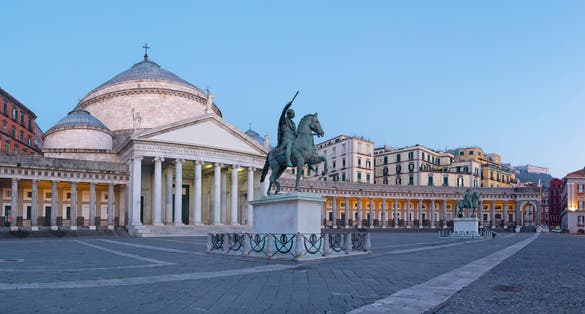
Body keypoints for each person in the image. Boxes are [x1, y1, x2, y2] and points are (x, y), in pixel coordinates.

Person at [276, 101, 296, 167]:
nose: (294, 114)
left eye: (294, 113)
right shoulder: (284, 120)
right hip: (286, 138)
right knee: (289, 143)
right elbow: (283, 113)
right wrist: (287, 106)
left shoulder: (293, 124)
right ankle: (288, 160)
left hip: (292, 138)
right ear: (289, 114)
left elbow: (296, 134)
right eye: (293, 113)